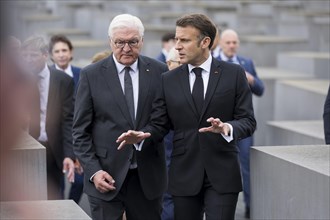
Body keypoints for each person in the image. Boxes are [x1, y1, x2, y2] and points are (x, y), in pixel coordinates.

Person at [117, 13, 256, 220]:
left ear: (205, 42)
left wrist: (227, 128)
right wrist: (143, 134)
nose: (177, 46)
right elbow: (159, 124)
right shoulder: (168, 79)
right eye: (176, 39)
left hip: (222, 172)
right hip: (184, 173)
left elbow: (248, 121)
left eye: (184, 40)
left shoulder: (234, 74)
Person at [72, 14, 168, 220]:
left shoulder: (159, 71)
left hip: (147, 178)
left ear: (142, 41)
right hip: (105, 177)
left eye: (132, 42)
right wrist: (94, 171)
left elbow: (162, 121)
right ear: (110, 42)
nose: (126, 48)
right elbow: (80, 132)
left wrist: (144, 135)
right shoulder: (91, 74)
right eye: (120, 42)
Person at [217, 28, 265, 218]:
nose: (231, 46)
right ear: (220, 43)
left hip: (242, 126)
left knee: (246, 166)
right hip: (220, 124)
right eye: (228, 42)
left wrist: (251, 79)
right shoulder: (213, 62)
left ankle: (249, 207)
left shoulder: (246, 63)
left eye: (234, 42)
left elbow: (260, 90)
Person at [21, 35, 75, 200]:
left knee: (52, 199)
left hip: (53, 149)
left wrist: (69, 154)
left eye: (33, 55)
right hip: (25, 148)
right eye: (25, 56)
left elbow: (68, 120)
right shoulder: (19, 80)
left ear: (45, 55)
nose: (28, 60)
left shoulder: (63, 80)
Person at [48, 34, 84, 204]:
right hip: (55, 139)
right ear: (51, 55)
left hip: (78, 134)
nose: (61, 54)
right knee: (56, 186)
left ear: (71, 52)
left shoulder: (82, 74)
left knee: (79, 181)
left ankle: (70, 207)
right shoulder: (46, 76)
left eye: (64, 50)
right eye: (57, 51)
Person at [161, 47, 181, 220]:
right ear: (168, 63)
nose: (183, 66)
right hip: (165, 152)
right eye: (179, 63)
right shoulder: (160, 84)